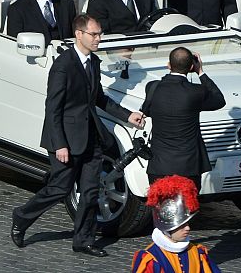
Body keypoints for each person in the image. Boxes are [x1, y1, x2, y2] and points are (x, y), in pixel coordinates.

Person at [11, 14, 144, 257]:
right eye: (94, 34)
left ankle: (83, 240)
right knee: (60, 189)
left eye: (100, 34)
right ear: (79, 35)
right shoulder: (63, 65)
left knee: (91, 190)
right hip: (66, 140)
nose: (98, 39)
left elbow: (99, 98)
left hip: (90, 137)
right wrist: (60, 144)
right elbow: (53, 108)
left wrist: (127, 116)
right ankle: (22, 216)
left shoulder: (92, 62)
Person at [141, 47, 225, 188]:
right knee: (187, 207)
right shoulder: (196, 92)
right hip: (188, 167)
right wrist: (200, 72)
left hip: (159, 166)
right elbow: (219, 100)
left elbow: (147, 111)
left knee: (160, 207)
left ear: (169, 65)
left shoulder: (152, 88)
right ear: (191, 66)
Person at [131, 176, 221, 273]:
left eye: (187, 223)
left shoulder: (197, 253)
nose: (188, 228)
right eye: (181, 225)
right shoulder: (151, 258)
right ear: (167, 227)